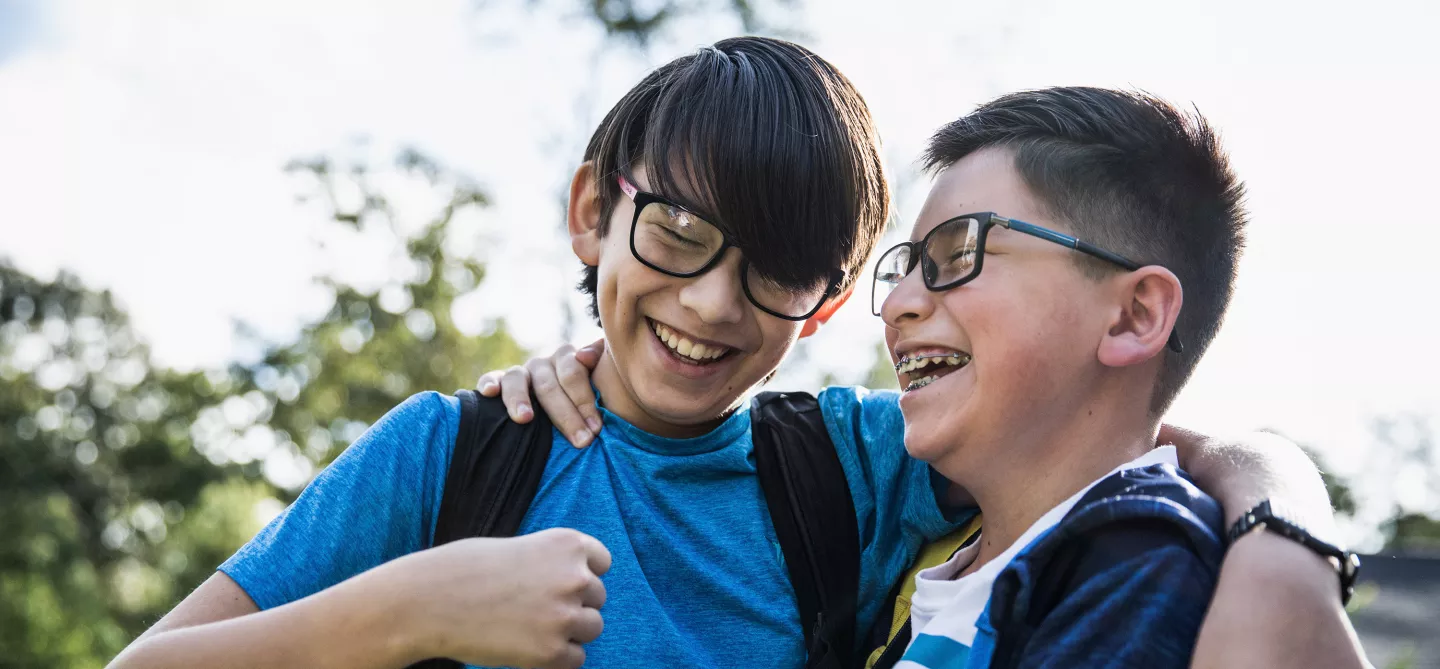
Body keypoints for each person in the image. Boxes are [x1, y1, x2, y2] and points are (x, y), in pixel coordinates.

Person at [111, 39, 1359, 669]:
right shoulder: (453, 455)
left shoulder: (857, 466)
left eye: (778, 270)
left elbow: (1130, 441)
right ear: (593, 211)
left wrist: (1287, 542)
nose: (712, 303)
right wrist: (407, 611)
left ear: (826, 305)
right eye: (678, 232)